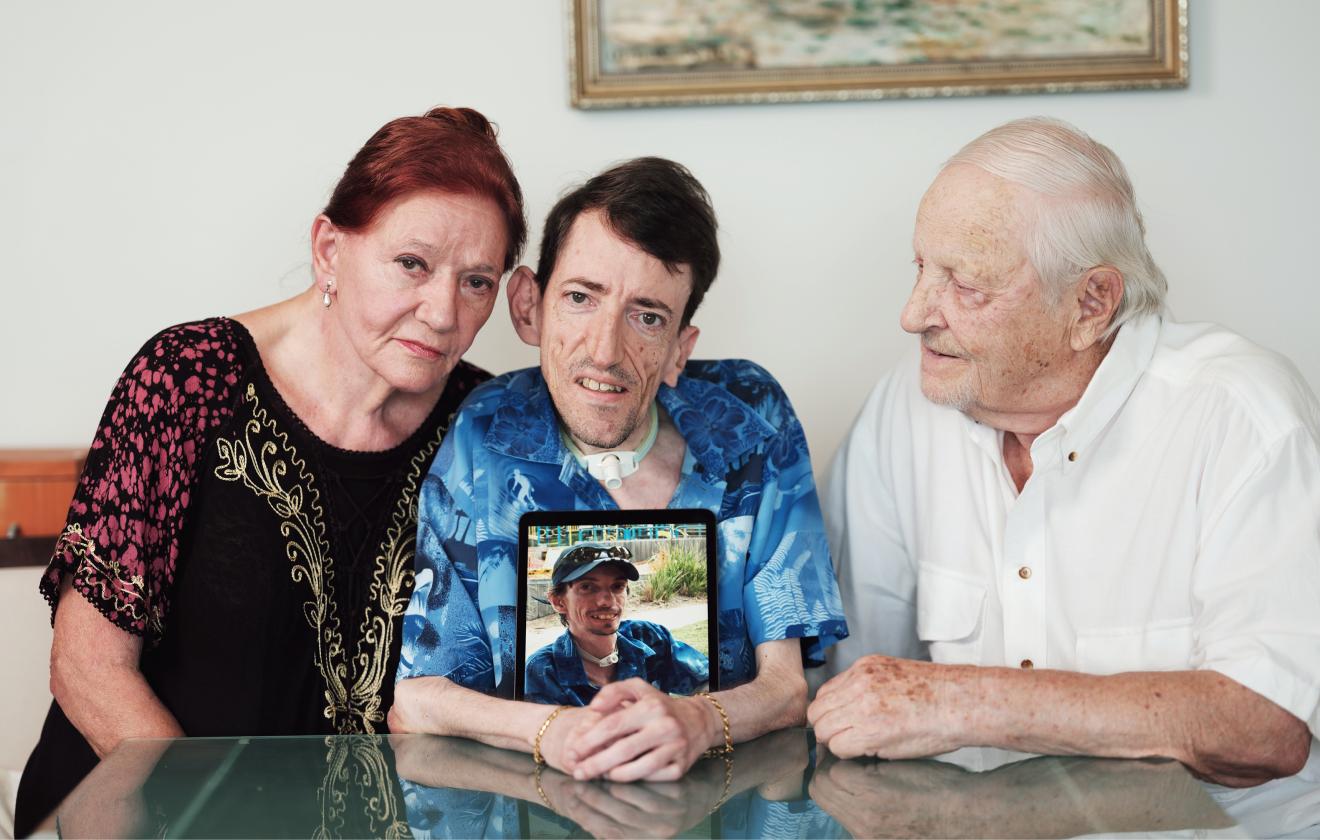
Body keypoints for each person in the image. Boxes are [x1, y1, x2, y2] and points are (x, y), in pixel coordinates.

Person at [14, 106, 526, 837]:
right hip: (149, 817)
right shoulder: (188, 380)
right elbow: (90, 671)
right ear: (328, 249)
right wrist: (209, 819)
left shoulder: (480, 424)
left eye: (476, 282)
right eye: (411, 264)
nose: (443, 311)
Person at [810, 116, 1320, 788]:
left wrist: (964, 700)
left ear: (1091, 303)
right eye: (922, 269)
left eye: (967, 285)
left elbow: (1266, 726)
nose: (914, 314)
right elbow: (856, 687)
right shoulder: (906, 407)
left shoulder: (1241, 414)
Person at [389, 157, 848, 783]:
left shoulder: (751, 419)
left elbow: (787, 688)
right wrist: (554, 732)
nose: (605, 352)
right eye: (580, 298)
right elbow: (418, 701)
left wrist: (697, 721)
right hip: (539, 805)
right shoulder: (488, 430)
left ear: (679, 348)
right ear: (530, 306)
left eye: (647, 316)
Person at [524, 542, 709, 705]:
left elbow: (710, 680)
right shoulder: (543, 670)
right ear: (558, 601)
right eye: (587, 587)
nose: (607, 601)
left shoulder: (650, 638)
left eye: (617, 586)